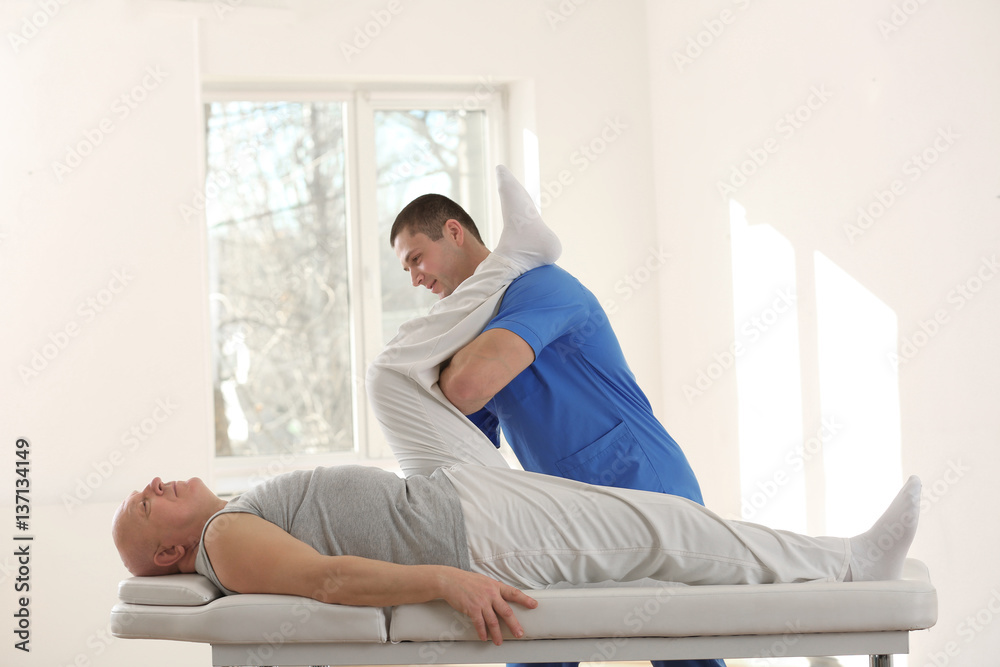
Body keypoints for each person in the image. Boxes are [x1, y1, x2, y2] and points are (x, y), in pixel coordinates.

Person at [112, 195, 922, 647]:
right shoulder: (224, 539)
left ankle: (519, 247)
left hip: (449, 495)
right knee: (675, 531)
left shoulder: (227, 515)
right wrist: (445, 578)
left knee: (388, 373)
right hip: (467, 530)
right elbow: (330, 581)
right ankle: (851, 562)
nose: (155, 484)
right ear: (171, 550)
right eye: (148, 503)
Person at [383, 165, 711, 667]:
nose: (415, 278)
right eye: (407, 270)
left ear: (453, 231)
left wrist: (445, 367)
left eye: (416, 259)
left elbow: (468, 388)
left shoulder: (543, 287)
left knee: (684, 655)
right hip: (560, 514)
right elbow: (467, 433)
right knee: (535, 647)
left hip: (643, 483)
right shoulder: (474, 328)